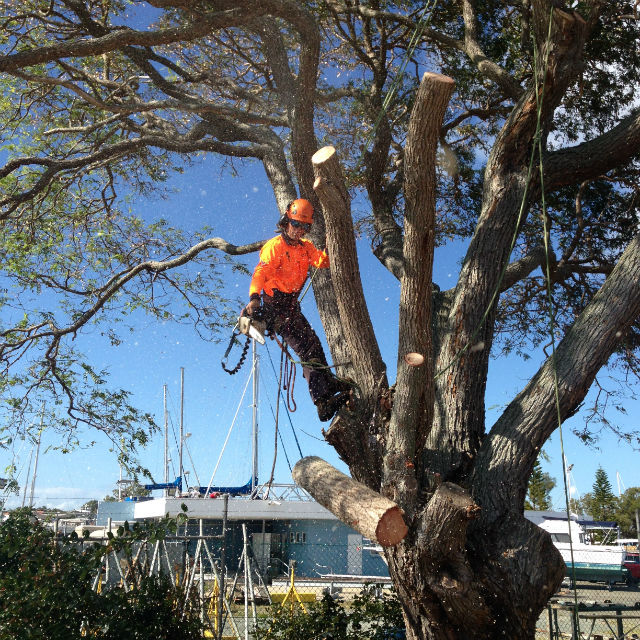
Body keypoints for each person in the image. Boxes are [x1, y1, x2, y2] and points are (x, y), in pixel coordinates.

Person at [244, 198, 350, 422]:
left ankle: (328, 384)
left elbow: (321, 262)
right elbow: (260, 274)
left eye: (304, 227)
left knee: (313, 343)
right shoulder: (275, 247)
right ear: (286, 221)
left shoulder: (305, 248)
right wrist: (254, 298)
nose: (299, 231)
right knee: (306, 348)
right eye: (295, 225)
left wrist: (329, 249)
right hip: (276, 306)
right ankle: (322, 403)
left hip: (291, 305)